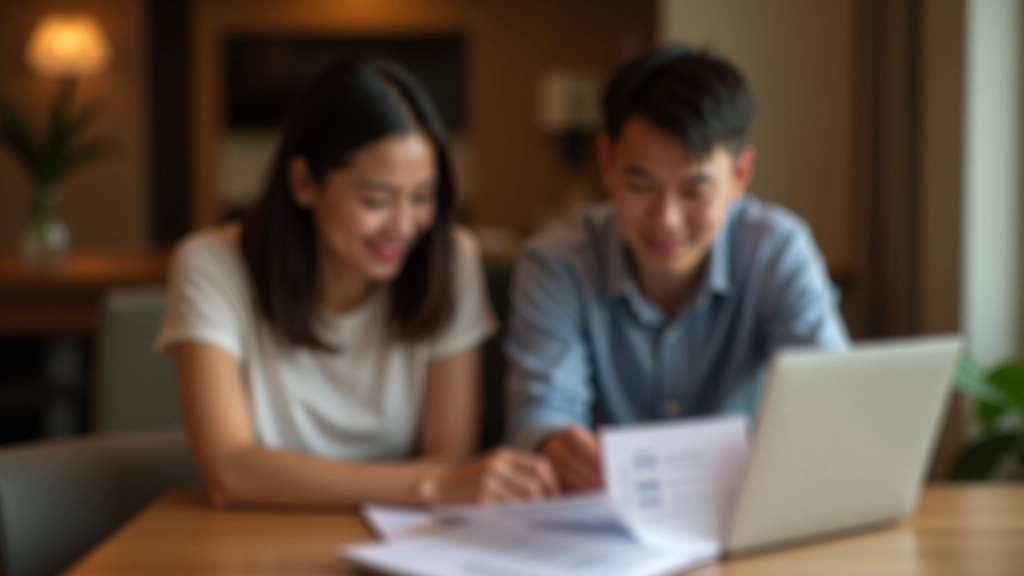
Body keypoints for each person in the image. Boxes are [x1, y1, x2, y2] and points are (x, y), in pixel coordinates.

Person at [156, 59, 556, 507]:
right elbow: (230, 469)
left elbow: (449, 455)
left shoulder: (450, 256)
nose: (404, 226)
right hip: (257, 543)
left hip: (405, 542)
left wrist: (272, 479)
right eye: (376, 200)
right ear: (304, 182)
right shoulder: (211, 265)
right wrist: (430, 487)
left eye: (423, 197)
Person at [505, 45, 850, 492]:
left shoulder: (775, 250)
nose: (666, 218)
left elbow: (828, 395)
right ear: (607, 162)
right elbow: (542, 413)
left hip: (742, 514)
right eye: (640, 184)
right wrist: (556, 444)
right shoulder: (556, 263)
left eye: (695, 191)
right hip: (604, 523)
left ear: (740, 175)